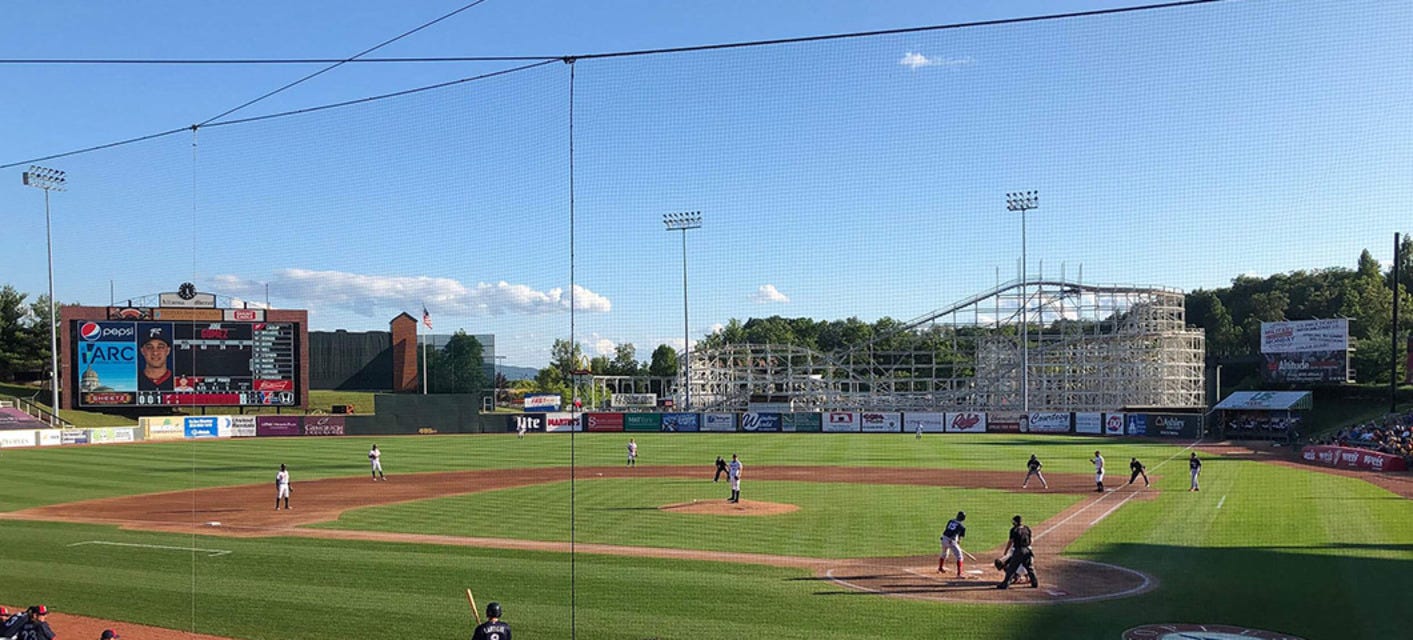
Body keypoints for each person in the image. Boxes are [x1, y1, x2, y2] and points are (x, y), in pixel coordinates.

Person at [997, 515, 1038, 589]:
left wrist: (1006, 551)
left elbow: (1010, 541)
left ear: (1015, 522)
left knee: (1011, 568)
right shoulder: (1027, 528)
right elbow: (1031, 540)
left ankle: (1005, 584)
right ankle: (1035, 583)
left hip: (1019, 551)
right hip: (1028, 550)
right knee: (1030, 567)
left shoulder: (1014, 530)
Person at [137, 325, 174, 391]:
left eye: (160, 347)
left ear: (168, 350)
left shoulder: (178, 380)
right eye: (149, 347)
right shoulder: (133, 381)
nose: (155, 352)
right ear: (142, 351)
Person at [937, 510, 967, 575]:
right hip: (951, 541)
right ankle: (959, 573)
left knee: (944, 554)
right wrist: (957, 543)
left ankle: (940, 568)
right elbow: (959, 537)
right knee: (960, 556)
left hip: (944, 538)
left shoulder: (951, 521)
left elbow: (947, 530)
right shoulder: (962, 526)